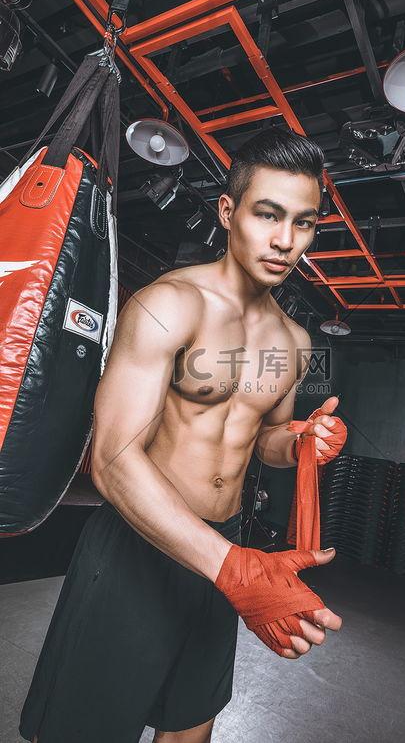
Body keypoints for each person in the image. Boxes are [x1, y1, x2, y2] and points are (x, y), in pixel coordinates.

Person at [19, 127, 346, 743]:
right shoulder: (169, 304)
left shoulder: (295, 342)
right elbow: (111, 459)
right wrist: (236, 571)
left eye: (303, 223)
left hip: (225, 547)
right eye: (268, 214)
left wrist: (302, 442)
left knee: (190, 727)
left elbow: (266, 440)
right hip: (139, 547)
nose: (285, 240)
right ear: (227, 211)